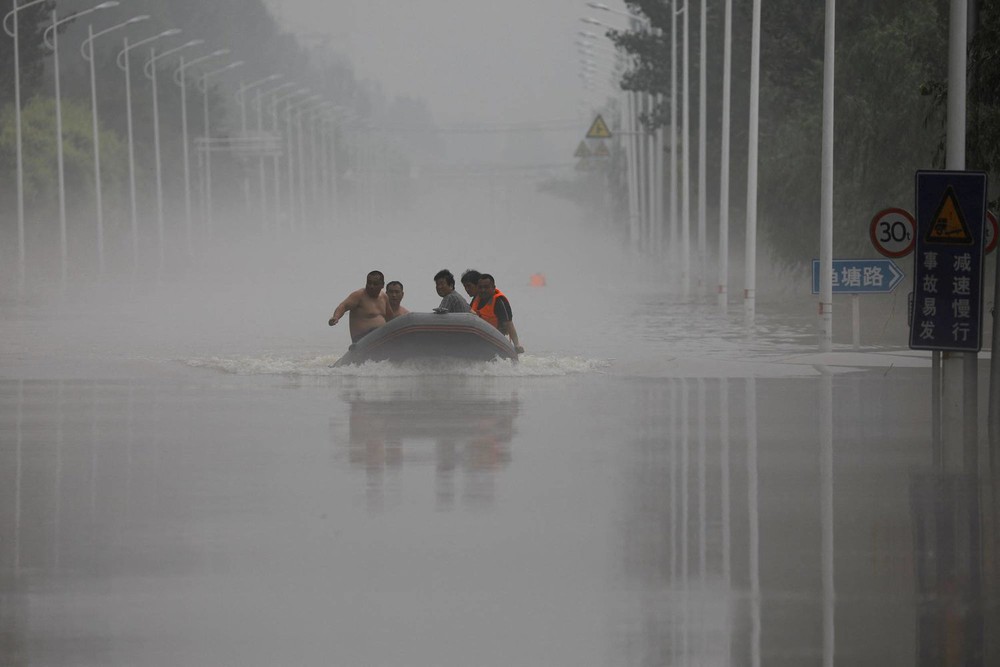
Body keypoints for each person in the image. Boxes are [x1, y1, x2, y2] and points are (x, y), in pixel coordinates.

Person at [328, 270, 389, 344]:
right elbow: (343, 306)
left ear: (382, 285)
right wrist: (336, 317)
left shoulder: (384, 297)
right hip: (362, 339)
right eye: (369, 283)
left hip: (381, 337)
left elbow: (390, 316)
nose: (371, 286)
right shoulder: (358, 296)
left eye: (375, 284)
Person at [472, 273, 524, 354]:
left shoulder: (499, 302)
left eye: (486, 287)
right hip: (479, 338)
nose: (483, 290)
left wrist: (517, 345)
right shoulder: (476, 299)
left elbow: (509, 324)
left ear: (493, 288)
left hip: (495, 339)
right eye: (480, 287)